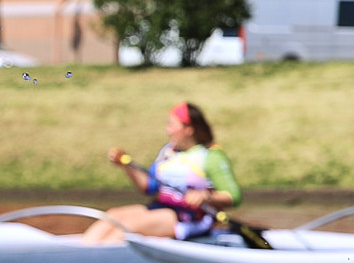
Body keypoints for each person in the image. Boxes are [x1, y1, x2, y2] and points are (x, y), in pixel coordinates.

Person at [82, 101, 242, 243]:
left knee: (129, 225)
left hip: (190, 218)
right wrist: (126, 165)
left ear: (189, 129)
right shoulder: (168, 152)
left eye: (172, 125)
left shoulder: (211, 155)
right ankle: (84, 247)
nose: (168, 131)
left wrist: (205, 196)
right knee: (113, 216)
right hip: (161, 209)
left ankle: (98, 256)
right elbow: (148, 187)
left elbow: (233, 196)